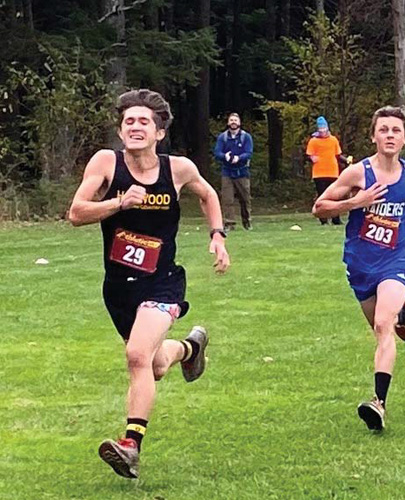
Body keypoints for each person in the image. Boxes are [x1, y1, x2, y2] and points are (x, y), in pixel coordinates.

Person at [68, 89, 231, 478]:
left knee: (137, 356)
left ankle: (130, 446)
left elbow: (208, 194)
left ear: (159, 132)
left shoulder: (177, 169)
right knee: (155, 364)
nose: (135, 127)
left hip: (163, 281)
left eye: (144, 121)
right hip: (120, 287)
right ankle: (190, 348)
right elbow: (76, 212)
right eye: (129, 122)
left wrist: (218, 235)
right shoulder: (107, 163)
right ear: (121, 130)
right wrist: (118, 203)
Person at [312, 106, 405, 431]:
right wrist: (355, 203)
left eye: (396, 130)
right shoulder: (357, 174)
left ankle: (378, 403)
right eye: (384, 130)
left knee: (382, 326)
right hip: (361, 264)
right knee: (389, 330)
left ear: (404, 138)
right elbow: (318, 208)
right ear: (374, 136)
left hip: (396, 259)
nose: (390, 135)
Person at [306, 116, 351, 225]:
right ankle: (323, 219)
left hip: (332, 172)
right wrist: (312, 158)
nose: (322, 131)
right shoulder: (313, 141)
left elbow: (338, 155)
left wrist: (347, 161)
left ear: (327, 128)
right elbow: (309, 154)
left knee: (335, 196)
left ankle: (336, 219)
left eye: (324, 128)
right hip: (319, 173)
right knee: (322, 196)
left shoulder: (333, 140)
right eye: (320, 129)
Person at [214, 112, 254, 231]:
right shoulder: (223, 137)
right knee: (227, 199)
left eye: (235, 120)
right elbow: (217, 152)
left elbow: (249, 153)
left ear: (239, 123)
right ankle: (229, 223)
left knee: (245, 199)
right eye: (231, 120)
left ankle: (247, 221)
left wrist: (239, 158)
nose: (233, 122)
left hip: (242, 172)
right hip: (227, 172)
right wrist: (224, 156)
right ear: (228, 123)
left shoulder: (246, 137)